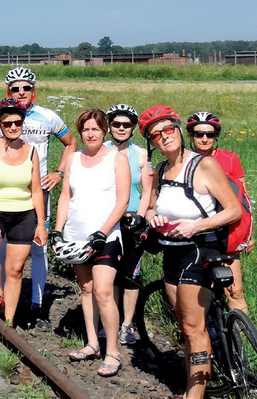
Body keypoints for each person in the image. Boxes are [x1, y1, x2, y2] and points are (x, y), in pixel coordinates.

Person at [139, 105, 242, 399]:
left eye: (168, 129)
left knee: (192, 326)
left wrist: (196, 226)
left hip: (200, 249)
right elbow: (150, 208)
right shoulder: (161, 170)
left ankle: (194, 396)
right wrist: (152, 218)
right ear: (152, 142)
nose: (164, 137)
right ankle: (203, 371)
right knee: (186, 325)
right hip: (172, 250)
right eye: (156, 134)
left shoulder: (203, 166)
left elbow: (233, 210)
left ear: (178, 130)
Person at [0, 67, 77, 312]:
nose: (21, 92)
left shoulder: (48, 116)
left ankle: (37, 304)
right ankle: (3, 297)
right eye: (15, 88)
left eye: (26, 88)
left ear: (34, 91)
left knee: (39, 248)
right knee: (0, 246)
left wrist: (59, 173)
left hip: (37, 193)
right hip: (4, 194)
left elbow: (71, 143)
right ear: (8, 91)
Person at [54, 109, 130, 377]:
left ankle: (113, 352)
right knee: (86, 289)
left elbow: (122, 201)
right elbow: (65, 197)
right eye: (86, 129)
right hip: (76, 235)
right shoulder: (73, 159)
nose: (90, 133)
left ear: (104, 131)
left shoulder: (117, 159)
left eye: (96, 129)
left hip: (106, 238)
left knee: (103, 292)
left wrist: (103, 231)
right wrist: (58, 230)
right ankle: (92, 343)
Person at [0, 98, 47, 326]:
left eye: (17, 122)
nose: (13, 127)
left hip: (24, 215)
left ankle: (8, 323)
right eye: (7, 124)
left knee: (15, 270)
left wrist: (41, 223)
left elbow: (36, 191)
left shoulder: (31, 151)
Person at [186, 111, 251, 313]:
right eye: (198, 134)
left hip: (226, 233)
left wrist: (249, 236)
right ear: (190, 135)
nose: (205, 139)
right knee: (200, 291)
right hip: (195, 232)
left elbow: (244, 199)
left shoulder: (230, 159)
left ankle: (241, 342)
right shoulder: (185, 160)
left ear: (216, 136)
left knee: (234, 290)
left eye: (210, 134)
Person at [103, 104, 151, 345]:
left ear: (132, 128)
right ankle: (109, 320)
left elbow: (148, 189)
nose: (121, 128)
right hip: (107, 218)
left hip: (132, 218)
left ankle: (127, 324)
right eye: (116, 124)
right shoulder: (100, 151)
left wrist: (140, 216)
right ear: (109, 126)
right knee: (109, 272)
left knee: (132, 274)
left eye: (126, 125)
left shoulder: (141, 154)